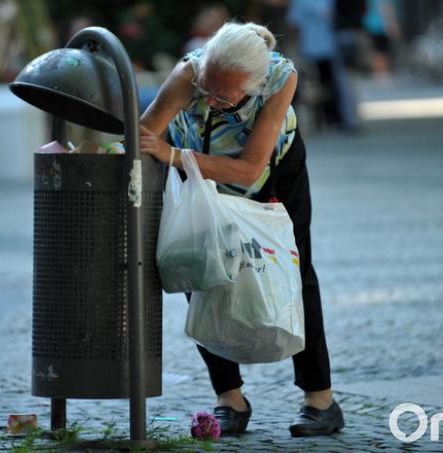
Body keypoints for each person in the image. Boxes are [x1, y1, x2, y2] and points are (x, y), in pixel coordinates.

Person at [139, 21, 343, 437]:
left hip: (272, 174)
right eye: (207, 89)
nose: (211, 101)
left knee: (295, 273)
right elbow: (144, 135)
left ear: (253, 84)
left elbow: (250, 168)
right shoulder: (189, 74)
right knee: (198, 268)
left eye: (224, 96)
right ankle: (229, 399)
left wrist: (172, 154)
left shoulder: (280, 78)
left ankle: (320, 399)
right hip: (197, 174)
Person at [287, 0, 358, 131]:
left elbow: (294, 24)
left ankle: (325, 120)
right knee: (330, 85)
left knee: (319, 86)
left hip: (313, 48)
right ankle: (332, 119)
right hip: (327, 48)